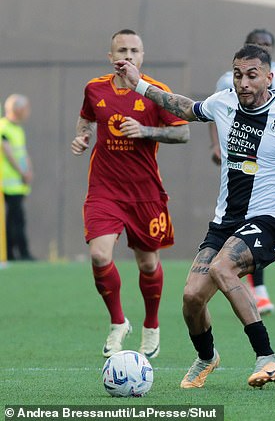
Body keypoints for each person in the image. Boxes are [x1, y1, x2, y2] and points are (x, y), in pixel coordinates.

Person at [114, 44, 275, 389]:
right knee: (192, 297)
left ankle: (267, 357)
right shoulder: (223, 102)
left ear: (269, 77)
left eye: (252, 75)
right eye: (238, 74)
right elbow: (185, 107)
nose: (243, 82)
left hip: (270, 221)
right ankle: (207, 357)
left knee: (224, 268)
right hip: (226, 221)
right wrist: (139, 85)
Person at [70, 29, 190, 360]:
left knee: (148, 263)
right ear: (111, 57)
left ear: (142, 56)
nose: (128, 55)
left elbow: (184, 133)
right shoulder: (94, 88)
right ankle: (118, 321)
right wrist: (82, 138)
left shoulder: (155, 92)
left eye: (134, 50)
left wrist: (146, 131)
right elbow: (85, 120)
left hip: (144, 192)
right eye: (121, 49)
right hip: (104, 189)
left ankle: (151, 325)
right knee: (99, 255)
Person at [210, 28, 275, 314]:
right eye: (255, 44)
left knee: (271, 216)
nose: (261, 47)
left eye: (266, 44)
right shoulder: (227, 81)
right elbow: (212, 113)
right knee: (245, 215)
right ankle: (257, 290)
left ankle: (261, 286)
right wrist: (216, 147)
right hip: (242, 162)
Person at [1, 94, 34, 261]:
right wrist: (22, 172)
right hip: (7, 183)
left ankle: (12, 254)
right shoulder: (3, 128)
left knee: (14, 219)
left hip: (17, 183)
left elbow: (22, 152)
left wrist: (29, 170)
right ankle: (20, 253)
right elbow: (8, 154)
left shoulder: (17, 129)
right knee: (15, 220)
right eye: (26, 108)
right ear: (18, 109)